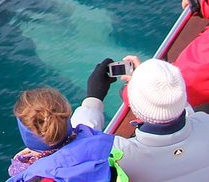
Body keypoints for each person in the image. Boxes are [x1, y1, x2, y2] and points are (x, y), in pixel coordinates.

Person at [72, 57, 209, 181]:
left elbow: (75, 148)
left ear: (134, 106)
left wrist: (93, 98)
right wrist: (153, 80)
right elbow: (181, 107)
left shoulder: (120, 154)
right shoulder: (205, 122)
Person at [7, 60, 124, 182]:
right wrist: (95, 94)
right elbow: (87, 123)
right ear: (67, 114)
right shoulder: (95, 142)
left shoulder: (33, 175)